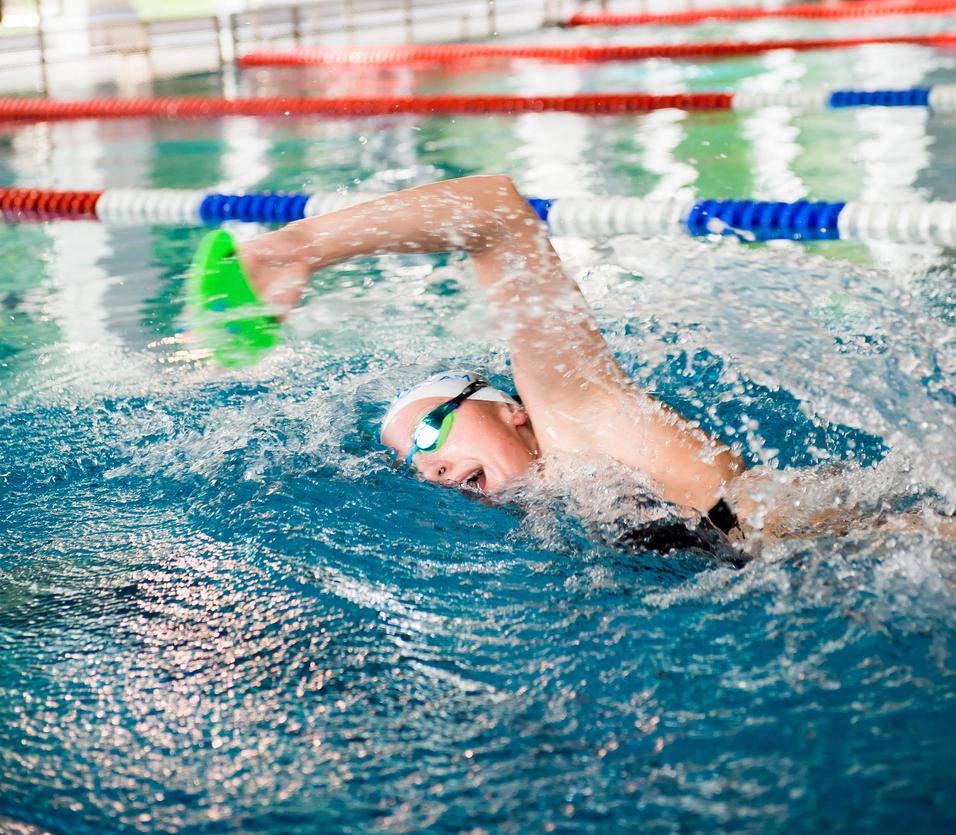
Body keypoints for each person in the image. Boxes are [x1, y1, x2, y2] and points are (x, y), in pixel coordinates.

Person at [191, 175, 955, 558]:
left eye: (430, 431)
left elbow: (493, 209)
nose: (427, 465)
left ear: (508, 408)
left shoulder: (574, 413)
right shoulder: (552, 504)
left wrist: (296, 249)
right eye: (410, 463)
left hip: (880, 541)